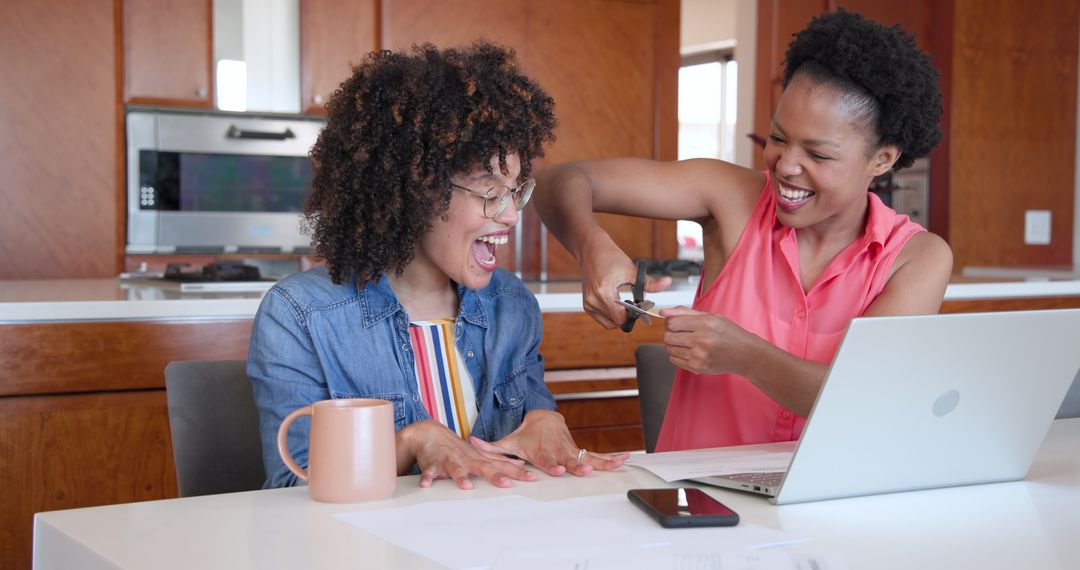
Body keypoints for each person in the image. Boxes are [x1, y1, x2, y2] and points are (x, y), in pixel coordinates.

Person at [532, 10, 953, 452]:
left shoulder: (916, 258)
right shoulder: (729, 196)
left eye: (818, 154)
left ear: (882, 159)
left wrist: (745, 355)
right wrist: (591, 245)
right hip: (697, 503)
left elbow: (861, 398)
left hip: (829, 510)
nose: (786, 165)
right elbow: (559, 181)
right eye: (778, 137)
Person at [248, 43, 627, 490]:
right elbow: (291, 488)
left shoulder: (511, 304)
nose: (510, 215)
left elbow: (524, 449)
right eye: (489, 191)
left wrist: (545, 420)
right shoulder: (299, 316)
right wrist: (410, 443)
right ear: (416, 191)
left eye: (515, 190)